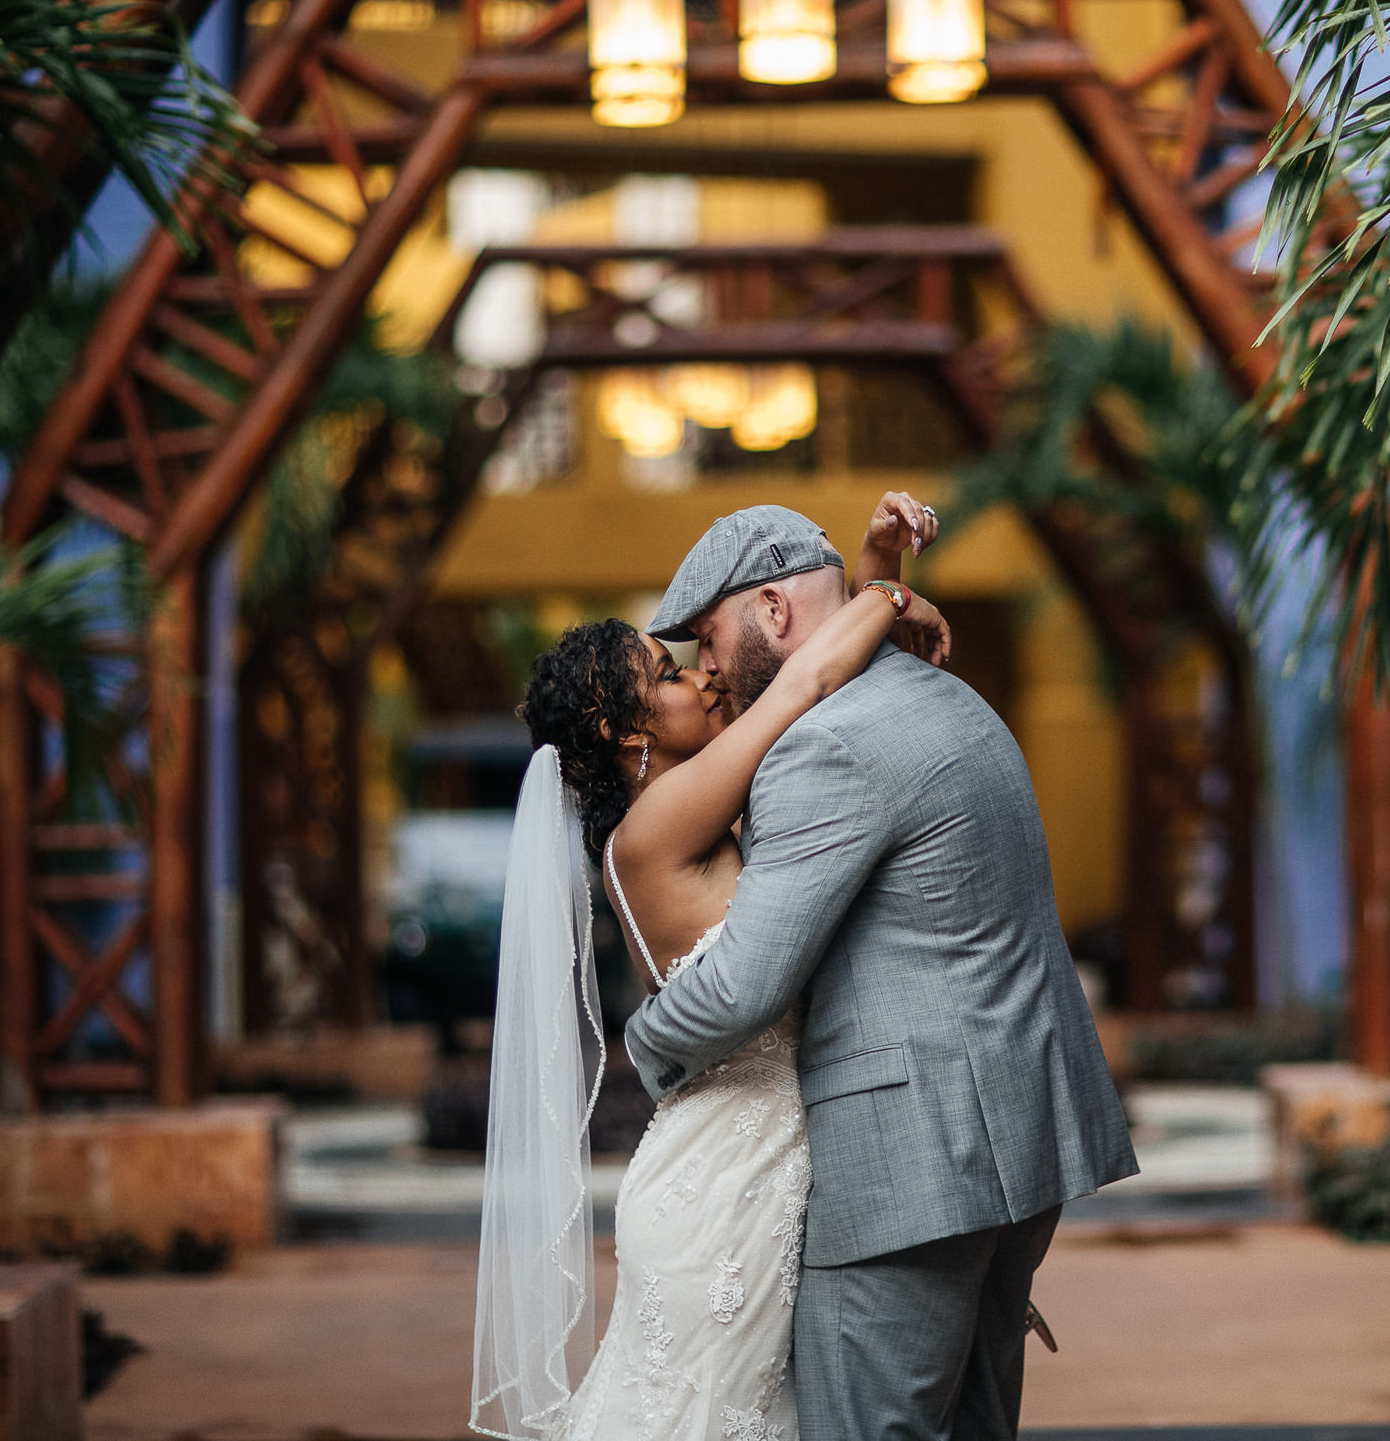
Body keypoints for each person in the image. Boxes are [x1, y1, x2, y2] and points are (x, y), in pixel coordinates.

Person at [623, 504, 1139, 1441]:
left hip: (914, 1167)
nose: (705, 665)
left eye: (708, 635)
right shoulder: (946, 695)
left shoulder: (825, 745)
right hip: (1017, 1139)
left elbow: (741, 985)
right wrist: (885, 578)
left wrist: (642, 1045)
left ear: (774, 612)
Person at [471, 494, 953, 1441]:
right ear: (624, 731)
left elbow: (811, 677)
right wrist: (890, 597)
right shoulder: (660, 820)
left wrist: (872, 571)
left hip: (745, 1169)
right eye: (668, 673)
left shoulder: (682, 804)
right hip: (724, 1191)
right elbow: (805, 681)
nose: (700, 678)